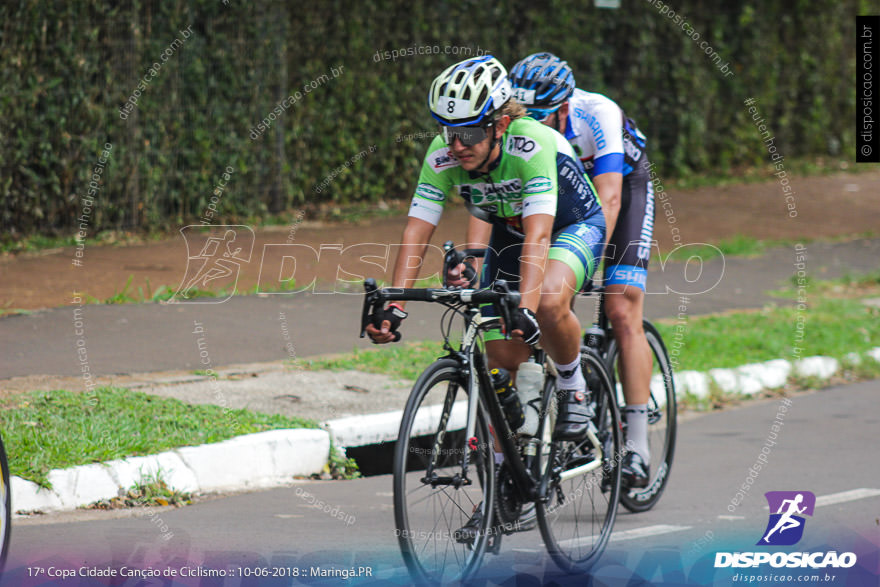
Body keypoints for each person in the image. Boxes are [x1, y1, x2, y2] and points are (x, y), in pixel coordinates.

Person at [366, 55, 606, 443]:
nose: (458, 146)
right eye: (449, 132)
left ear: (502, 125)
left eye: (471, 134)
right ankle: (504, 485)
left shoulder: (532, 144)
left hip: (571, 225)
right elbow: (416, 230)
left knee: (545, 303)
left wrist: (526, 309)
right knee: (500, 362)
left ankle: (572, 382)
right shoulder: (441, 155)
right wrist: (395, 306)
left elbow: (539, 236)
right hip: (512, 232)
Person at [509, 52, 656, 489]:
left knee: (620, 308)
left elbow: (608, 198)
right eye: (523, 116)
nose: (529, 125)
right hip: (560, 189)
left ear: (564, 106)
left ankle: (637, 446)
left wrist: (585, 263)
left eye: (540, 117)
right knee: (541, 303)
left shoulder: (599, 115)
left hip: (621, 188)